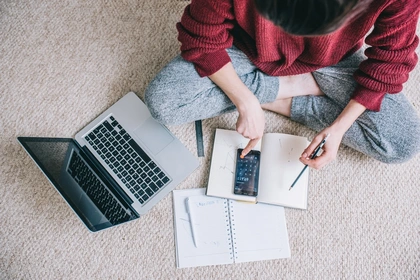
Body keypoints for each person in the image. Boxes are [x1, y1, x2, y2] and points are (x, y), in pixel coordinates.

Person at [144, 0, 420, 169]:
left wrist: (339, 128)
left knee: (403, 142)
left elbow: (390, 62)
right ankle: (292, 86)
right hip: (243, 47)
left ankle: (286, 89)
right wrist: (246, 101)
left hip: (330, 61)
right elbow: (201, 38)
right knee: (164, 103)